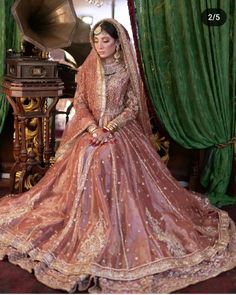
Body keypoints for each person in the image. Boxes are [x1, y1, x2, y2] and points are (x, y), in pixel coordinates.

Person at [0, 18, 236, 294]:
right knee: (90, 155)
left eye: (105, 41)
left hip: (120, 133)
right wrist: (92, 128)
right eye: (96, 40)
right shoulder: (88, 67)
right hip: (91, 130)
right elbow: (81, 102)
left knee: (107, 157)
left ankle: (116, 225)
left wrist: (110, 127)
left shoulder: (126, 70)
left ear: (117, 42)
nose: (100, 46)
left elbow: (132, 106)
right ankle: (85, 223)